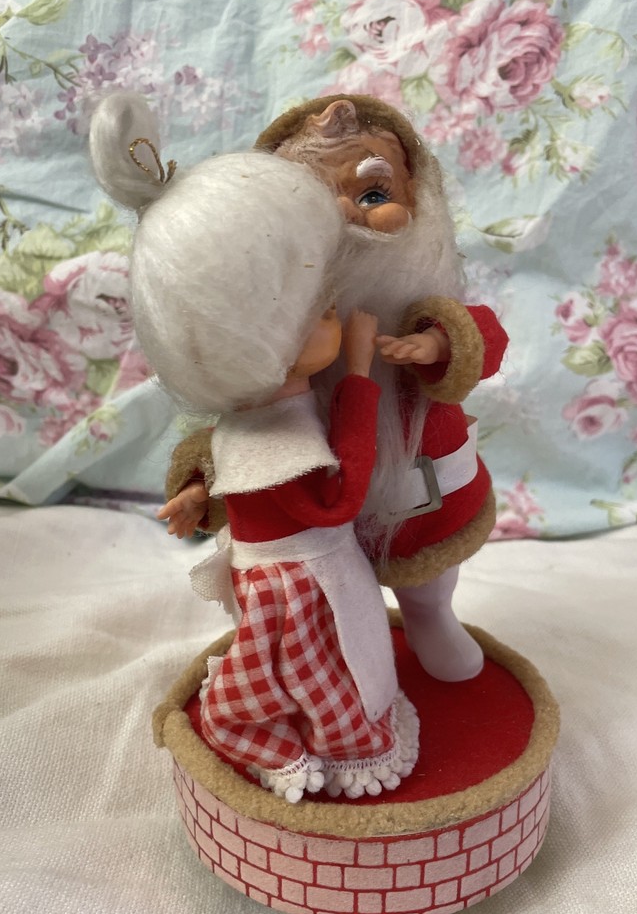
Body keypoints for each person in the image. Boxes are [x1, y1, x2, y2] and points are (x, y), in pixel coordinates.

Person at [88, 93, 418, 803]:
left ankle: (301, 733)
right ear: (264, 340)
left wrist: (198, 493)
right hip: (301, 589)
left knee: (290, 674)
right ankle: (322, 745)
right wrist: (359, 377)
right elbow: (336, 500)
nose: (335, 314)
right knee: (325, 676)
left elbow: (232, 463)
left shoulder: (253, 419)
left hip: (271, 581)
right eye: (321, 309)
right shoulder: (282, 433)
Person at [166, 95, 509, 684]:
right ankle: (347, 659)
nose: (345, 214)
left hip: (420, 494)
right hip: (317, 509)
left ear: (420, 199)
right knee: (333, 597)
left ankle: (429, 617)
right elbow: (247, 421)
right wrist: (205, 482)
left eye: (374, 194)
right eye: (313, 204)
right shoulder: (270, 319)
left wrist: (438, 343)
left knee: (428, 578)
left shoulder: (419, 301)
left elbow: (486, 337)